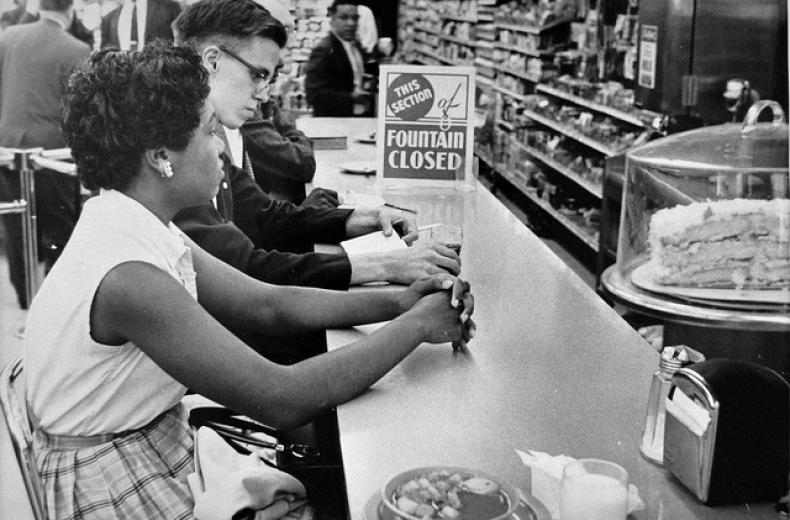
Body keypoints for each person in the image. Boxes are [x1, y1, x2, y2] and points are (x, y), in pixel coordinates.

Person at [24, 42, 474, 520]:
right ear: (161, 157)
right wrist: (417, 327)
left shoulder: (134, 220)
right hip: (111, 475)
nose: (222, 147)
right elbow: (281, 399)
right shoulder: (130, 277)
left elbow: (267, 304)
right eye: (210, 130)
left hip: (149, 437)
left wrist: (402, 301)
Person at [171, 0, 462, 363]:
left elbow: (266, 217)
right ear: (212, 60)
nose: (264, 93)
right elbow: (250, 275)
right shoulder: (179, 153)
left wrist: (363, 218)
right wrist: (388, 271)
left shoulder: (209, 137)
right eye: (259, 75)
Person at [0, 0, 91, 309]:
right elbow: (79, 108)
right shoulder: (77, 49)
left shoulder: (8, 37)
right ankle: (55, 302)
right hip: (54, 151)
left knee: (17, 227)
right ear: (70, 10)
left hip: (9, 146)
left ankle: (26, 297)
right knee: (59, 227)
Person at [304, 0, 374, 117]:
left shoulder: (355, 45)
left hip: (354, 118)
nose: (351, 23)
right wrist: (352, 97)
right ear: (332, 19)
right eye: (344, 18)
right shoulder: (325, 49)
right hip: (334, 121)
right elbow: (314, 95)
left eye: (355, 18)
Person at [99, 0, 181, 50]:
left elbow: (181, 45)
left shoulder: (169, 9)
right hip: (123, 76)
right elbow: (105, 54)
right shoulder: (109, 18)